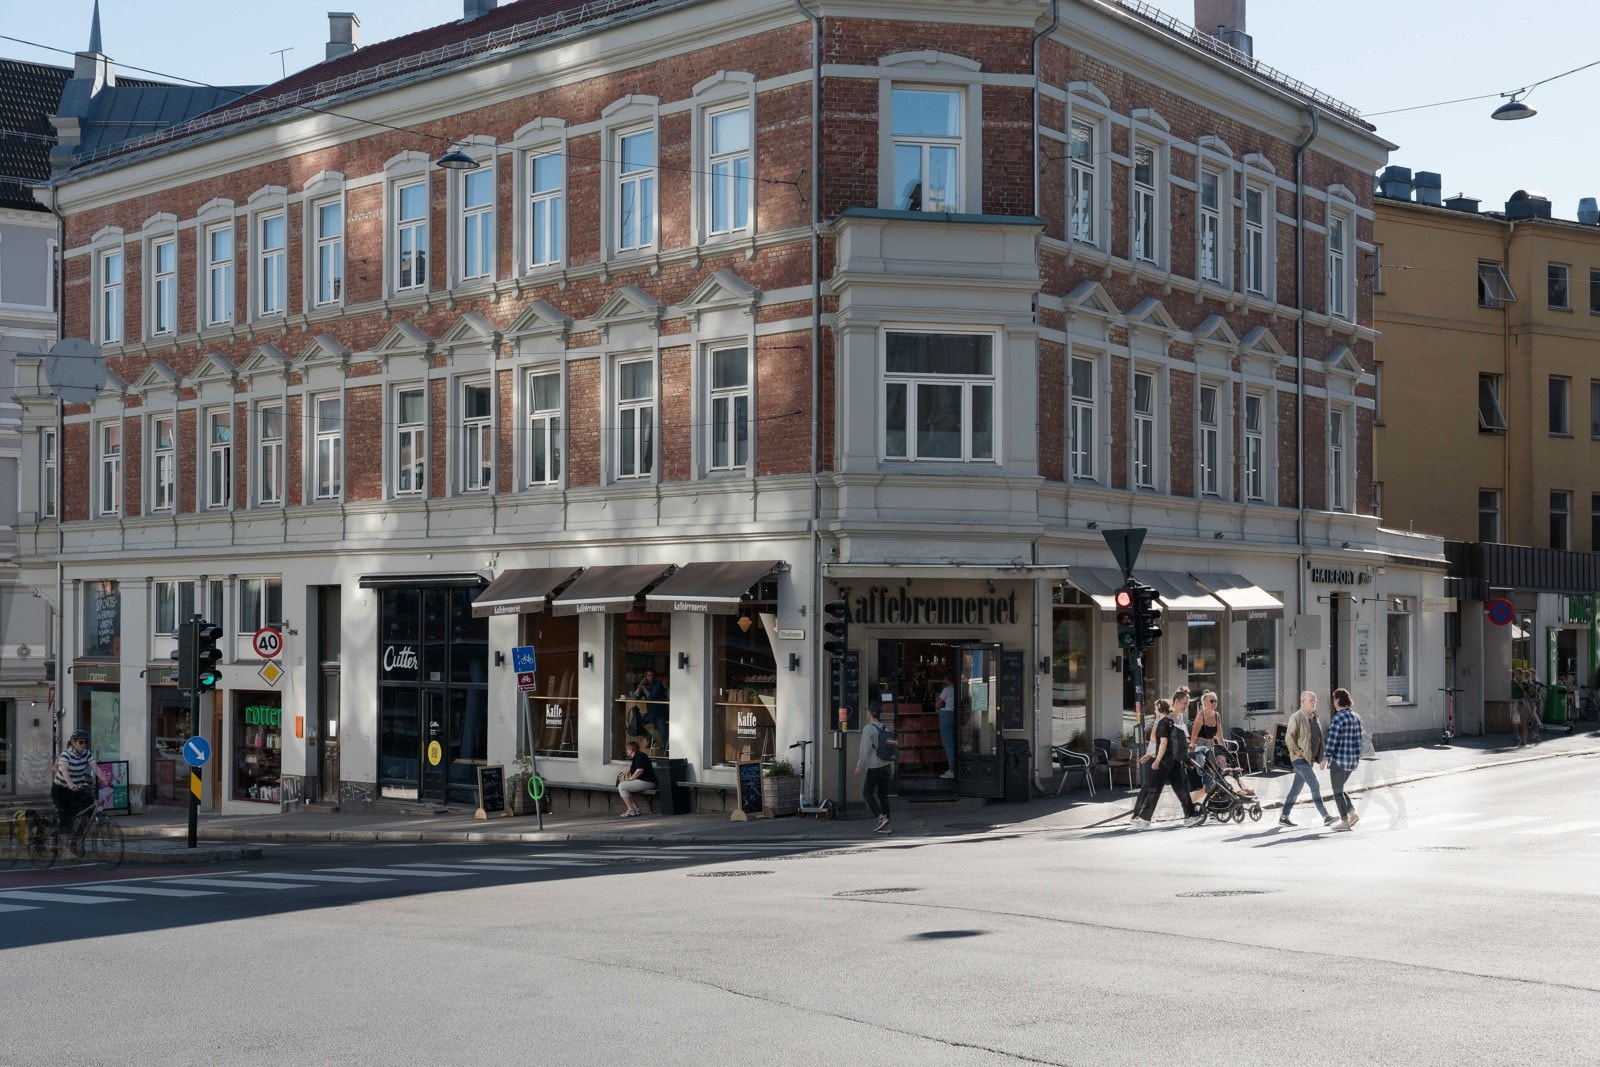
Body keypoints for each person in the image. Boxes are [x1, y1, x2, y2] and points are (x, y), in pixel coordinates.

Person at [1130, 699, 1205, 829]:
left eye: (1155, 708)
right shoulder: (1174, 721)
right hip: (1175, 761)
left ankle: (1144, 818)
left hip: (1164, 761)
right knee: (1181, 788)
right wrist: (1150, 755)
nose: (1154, 711)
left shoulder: (1162, 723)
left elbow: (1163, 744)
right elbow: (1170, 744)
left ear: (1159, 709)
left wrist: (1157, 761)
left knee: (1154, 789)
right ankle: (1191, 815)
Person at [1280, 691, 1338, 828]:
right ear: (1302, 702)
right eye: (1311, 700)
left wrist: (1321, 755)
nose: (1314, 703)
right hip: (1301, 759)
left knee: (1296, 789)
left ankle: (1283, 817)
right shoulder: (1296, 717)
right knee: (1315, 785)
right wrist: (1298, 752)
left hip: (1310, 759)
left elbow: (1318, 737)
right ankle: (1325, 816)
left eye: (1315, 700)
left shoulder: (1314, 716)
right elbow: (1289, 738)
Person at [1191, 690, 1254, 797]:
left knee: (1218, 773)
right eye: (1212, 701)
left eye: (1216, 701)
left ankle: (1232, 791)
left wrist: (1225, 752)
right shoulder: (1200, 716)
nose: (1214, 703)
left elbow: (1219, 735)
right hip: (1201, 746)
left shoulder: (1217, 716)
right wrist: (1193, 751)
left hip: (1211, 746)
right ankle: (1193, 803)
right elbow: (1194, 736)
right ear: (1204, 702)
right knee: (1208, 777)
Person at [1322, 687, 1365, 829]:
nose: (1333, 702)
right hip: (1352, 760)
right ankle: (1352, 813)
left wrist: (1325, 758)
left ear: (1339, 700)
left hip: (1339, 760)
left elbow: (1332, 740)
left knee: (1337, 791)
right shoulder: (1357, 717)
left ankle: (1345, 821)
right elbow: (1361, 739)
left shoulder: (1339, 717)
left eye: (1334, 699)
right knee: (1340, 788)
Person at [52, 729, 96, 851]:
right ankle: (65, 846)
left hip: (77, 786)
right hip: (62, 787)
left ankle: (77, 839)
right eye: (81, 742)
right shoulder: (64, 755)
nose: (83, 745)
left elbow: (95, 768)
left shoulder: (85, 754)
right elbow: (56, 768)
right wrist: (67, 780)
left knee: (88, 809)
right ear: (73, 743)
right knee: (65, 814)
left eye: (85, 743)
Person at [853, 705, 894, 833]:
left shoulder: (868, 729)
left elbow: (864, 750)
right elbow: (890, 747)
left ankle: (881, 818)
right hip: (886, 765)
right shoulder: (884, 727)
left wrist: (859, 766)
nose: (866, 714)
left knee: (867, 793)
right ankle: (887, 825)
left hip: (874, 766)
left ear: (871, 713)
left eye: (867, 712)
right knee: (883, 795)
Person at [627, 668, 669, 752]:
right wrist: (639, 687)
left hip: (660, 714)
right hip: (650, 714)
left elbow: (650, 697)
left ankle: (668, 751)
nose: (651, 678)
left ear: (655, 676)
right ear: (645, 677)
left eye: (653, 676)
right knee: (636, 724)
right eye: (649, 676)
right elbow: (635, 697)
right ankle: (649, 736)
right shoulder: (646, 686)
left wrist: (643, 688)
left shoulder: (658, 685)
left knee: (663, 734)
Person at [615, 740, 657, 817]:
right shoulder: (637, 757)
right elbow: (634, 767)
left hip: (647, 782)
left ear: (631, 749)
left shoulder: (639, 756)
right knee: (625, 787)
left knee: (621, 786)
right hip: (644, 781)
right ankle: (636, 809)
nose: (626, 751)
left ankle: (631, 810)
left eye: (627, 749)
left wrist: (631, 778)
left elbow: (640, 770)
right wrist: (626, 772)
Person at [935, 671, 957, 779]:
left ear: (948, 679)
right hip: (956, 715)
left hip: (946, 715)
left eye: (944, 679)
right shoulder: (959, 688)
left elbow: (937, 704)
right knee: (957, 742)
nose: (943, 681)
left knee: (948, 744)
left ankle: (952, 770)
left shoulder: (947, 689)